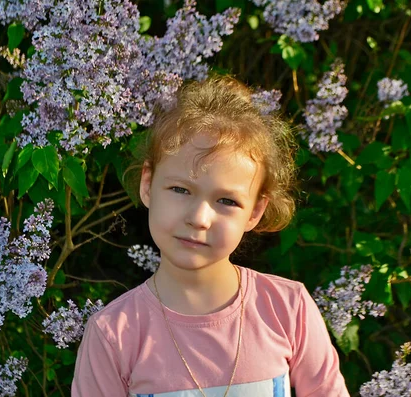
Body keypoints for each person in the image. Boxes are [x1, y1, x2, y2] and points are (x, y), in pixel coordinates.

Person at [72, 76, 350, 396]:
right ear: (147, 185)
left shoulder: (287, 309)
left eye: (227, 201)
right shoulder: (114, 335)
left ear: (255, 211)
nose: (199, 219)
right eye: (180, 190)